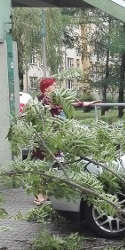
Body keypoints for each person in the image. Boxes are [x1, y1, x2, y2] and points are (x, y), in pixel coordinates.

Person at [32, 77, 102, 205]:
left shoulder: (56, 98)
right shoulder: (41, 99)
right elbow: (45, 109)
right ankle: (39, 196)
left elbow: (67, 104)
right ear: (46, 87)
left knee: (54, 166)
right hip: (46, 139)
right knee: (44, 168)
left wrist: (87, 103)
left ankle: (45, 194)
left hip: (57, 139)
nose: (56, 86)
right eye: (54, 85)